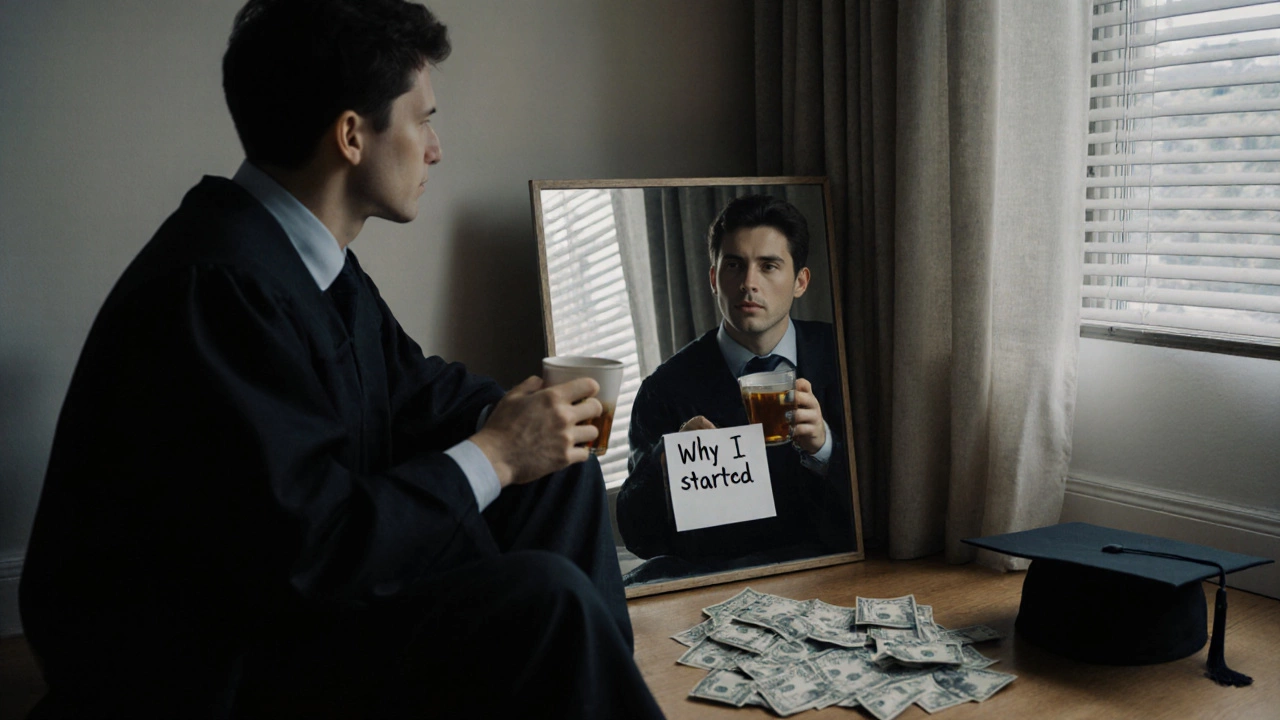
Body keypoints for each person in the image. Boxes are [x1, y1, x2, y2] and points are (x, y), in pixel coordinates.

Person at [18, 1, 664, 718]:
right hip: (214, 670)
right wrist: (496, 453)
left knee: (558, 475)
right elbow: (307, 550)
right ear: (352, 136)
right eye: (423, 119)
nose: (435, 147)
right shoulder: (216, 289)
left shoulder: (308, 263)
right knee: (546, 599)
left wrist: (529, 424)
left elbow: (422, 394)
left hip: (298, 610)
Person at [616, 194, 854, 581]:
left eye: (769, 266)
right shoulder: (663, 389)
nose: (748, 283)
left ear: (800, 282)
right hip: (717, 580)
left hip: (834, 569)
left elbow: (886, 511)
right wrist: (667, 461)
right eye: (734, 265)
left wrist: (826, 449)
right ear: (714, 279)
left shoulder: (846, 358)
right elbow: (640, 538)